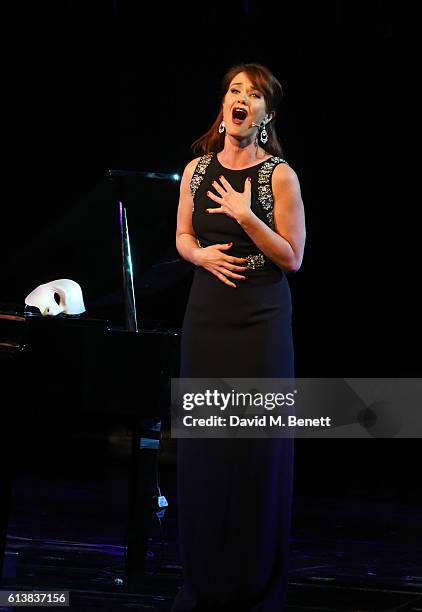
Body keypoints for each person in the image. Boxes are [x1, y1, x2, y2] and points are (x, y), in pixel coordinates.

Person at [172, 62, 306, 611]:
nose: (240, 99)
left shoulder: (280, 175)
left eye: (252, 95)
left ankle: (256, 585)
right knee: (206, 451)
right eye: (234, 90)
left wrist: (247, 217)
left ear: (265, 115)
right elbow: (182, 234)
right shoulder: (197, 170)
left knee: (255, 449)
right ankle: (203, 579)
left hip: (260, 323)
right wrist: (199, 253)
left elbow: (293, 258)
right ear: (225, 106)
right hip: (206, 321)